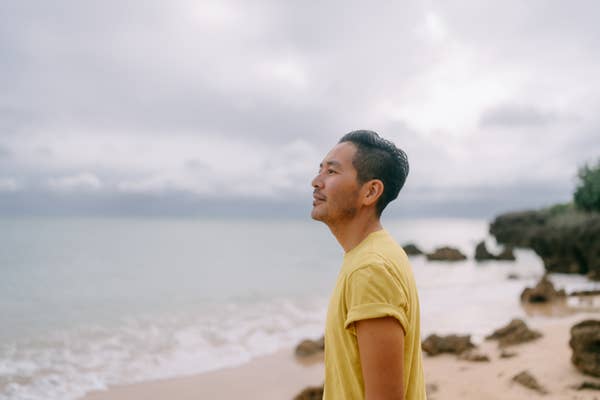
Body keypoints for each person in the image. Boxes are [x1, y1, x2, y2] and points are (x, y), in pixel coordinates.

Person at [311, 130, 426, 400]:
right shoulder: (374, 254)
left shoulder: (370, 269)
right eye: (320, 170)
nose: (316, 182)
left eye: (332, 172)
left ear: (370, 191)